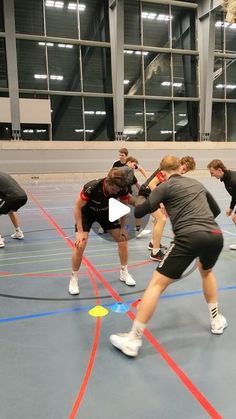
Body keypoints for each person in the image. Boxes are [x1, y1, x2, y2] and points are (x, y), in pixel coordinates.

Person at [110, 155, 227, 357]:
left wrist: (142, 195)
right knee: (206, 271)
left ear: (162, 172)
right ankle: (216, 321)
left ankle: (133, 339)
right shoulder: (196, 183)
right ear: (180, 168)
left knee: (156, 284)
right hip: (215, 235)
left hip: (189, 237)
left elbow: (139, 211)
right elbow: (215, 210)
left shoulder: (164, 186)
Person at [69, 167, 136, 295]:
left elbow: (124, 206)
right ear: (108, 182)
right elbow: (77, 207)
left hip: (106, 213)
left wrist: (122, 228)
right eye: (113, 189)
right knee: (80, 244)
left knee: (122, 239)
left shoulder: (121, 188)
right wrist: (81, 232)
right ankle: (73, 277)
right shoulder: (92, 187)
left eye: (117, 190)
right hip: (87, 214)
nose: (115, 192)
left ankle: (124, 272)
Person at [139, 156, 196, 261]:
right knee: (162, 219)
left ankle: (153, 243)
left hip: (152, 196)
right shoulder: (168, 167)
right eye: (184, 169)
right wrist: (160, 202)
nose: (183, 172)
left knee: (159, 218)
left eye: (186, 171)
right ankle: (155, 253)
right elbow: (152, 185)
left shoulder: (175, 173)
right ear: (181, 163)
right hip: (146, 194)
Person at [207, 159, 236, 250]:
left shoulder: (233, 179)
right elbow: (235, 194)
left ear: (219, 170)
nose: (212, 175)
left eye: (212, 173)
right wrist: (231, 208)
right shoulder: (225, 179)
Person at [0, 171, 27, 248]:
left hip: (12, 197)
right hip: (23, 197)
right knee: (11, 211)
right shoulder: (4, 174)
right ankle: (18, 232)